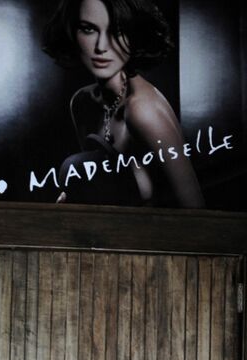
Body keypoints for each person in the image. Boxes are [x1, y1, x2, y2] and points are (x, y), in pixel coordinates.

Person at [41, 0, 204, 208]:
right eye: (88, 29)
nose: (101, 47)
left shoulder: (143, 111)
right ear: (72, 33)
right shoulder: (82, 103)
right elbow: (101, 186)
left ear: (134, 35)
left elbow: (197, 214)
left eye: (117, 31)